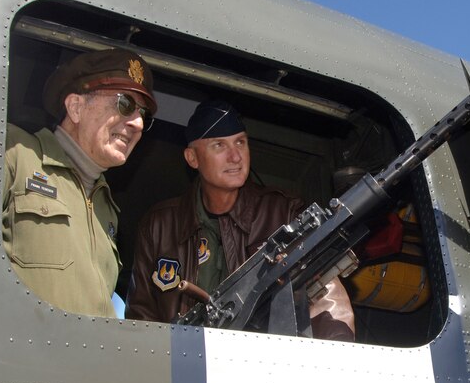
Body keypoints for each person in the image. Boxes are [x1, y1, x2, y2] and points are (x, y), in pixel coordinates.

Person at [126, 100, 355, 341]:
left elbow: (326, 297)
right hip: (182, 366)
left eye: (240, 142)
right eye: (219, 145)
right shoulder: (159, 226)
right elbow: (141, 317)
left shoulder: (284, 213)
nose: (235, 156)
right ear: (192, 158)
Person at [2, 48, 156, 317]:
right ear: (76, 107)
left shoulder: (106, 206)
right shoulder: (15, 154)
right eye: (126, 104)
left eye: (143, 113)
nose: (138, 123)